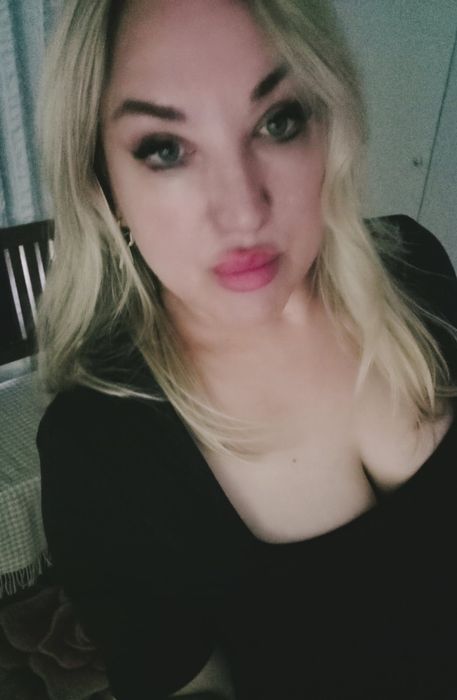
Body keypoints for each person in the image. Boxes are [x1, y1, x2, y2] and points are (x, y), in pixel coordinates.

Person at [36, 0, 457, 698]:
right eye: (164, 148)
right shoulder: (98, 449)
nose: (242, 211)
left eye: (278, 120)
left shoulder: (415, 265)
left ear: (327, 123)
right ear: (103, 185)